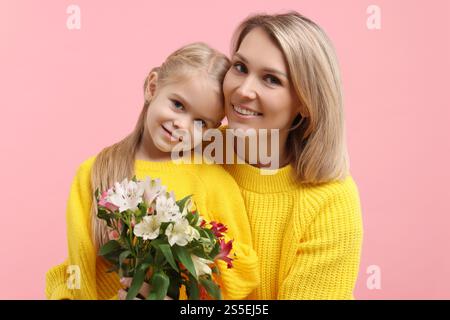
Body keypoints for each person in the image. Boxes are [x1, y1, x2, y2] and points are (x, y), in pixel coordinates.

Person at [45, 42, 259, 300]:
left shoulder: (215, 183)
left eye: (201, 122)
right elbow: (79, 265)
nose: (182, 124)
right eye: (178, 104)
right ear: (153, 86)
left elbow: (239, 274)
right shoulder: (93, 172)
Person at [221, 12, 364, 299]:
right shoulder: (192, 154)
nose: (244, 90)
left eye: (271, 79)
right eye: (239, 67)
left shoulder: (330, 199)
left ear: (305, 103)